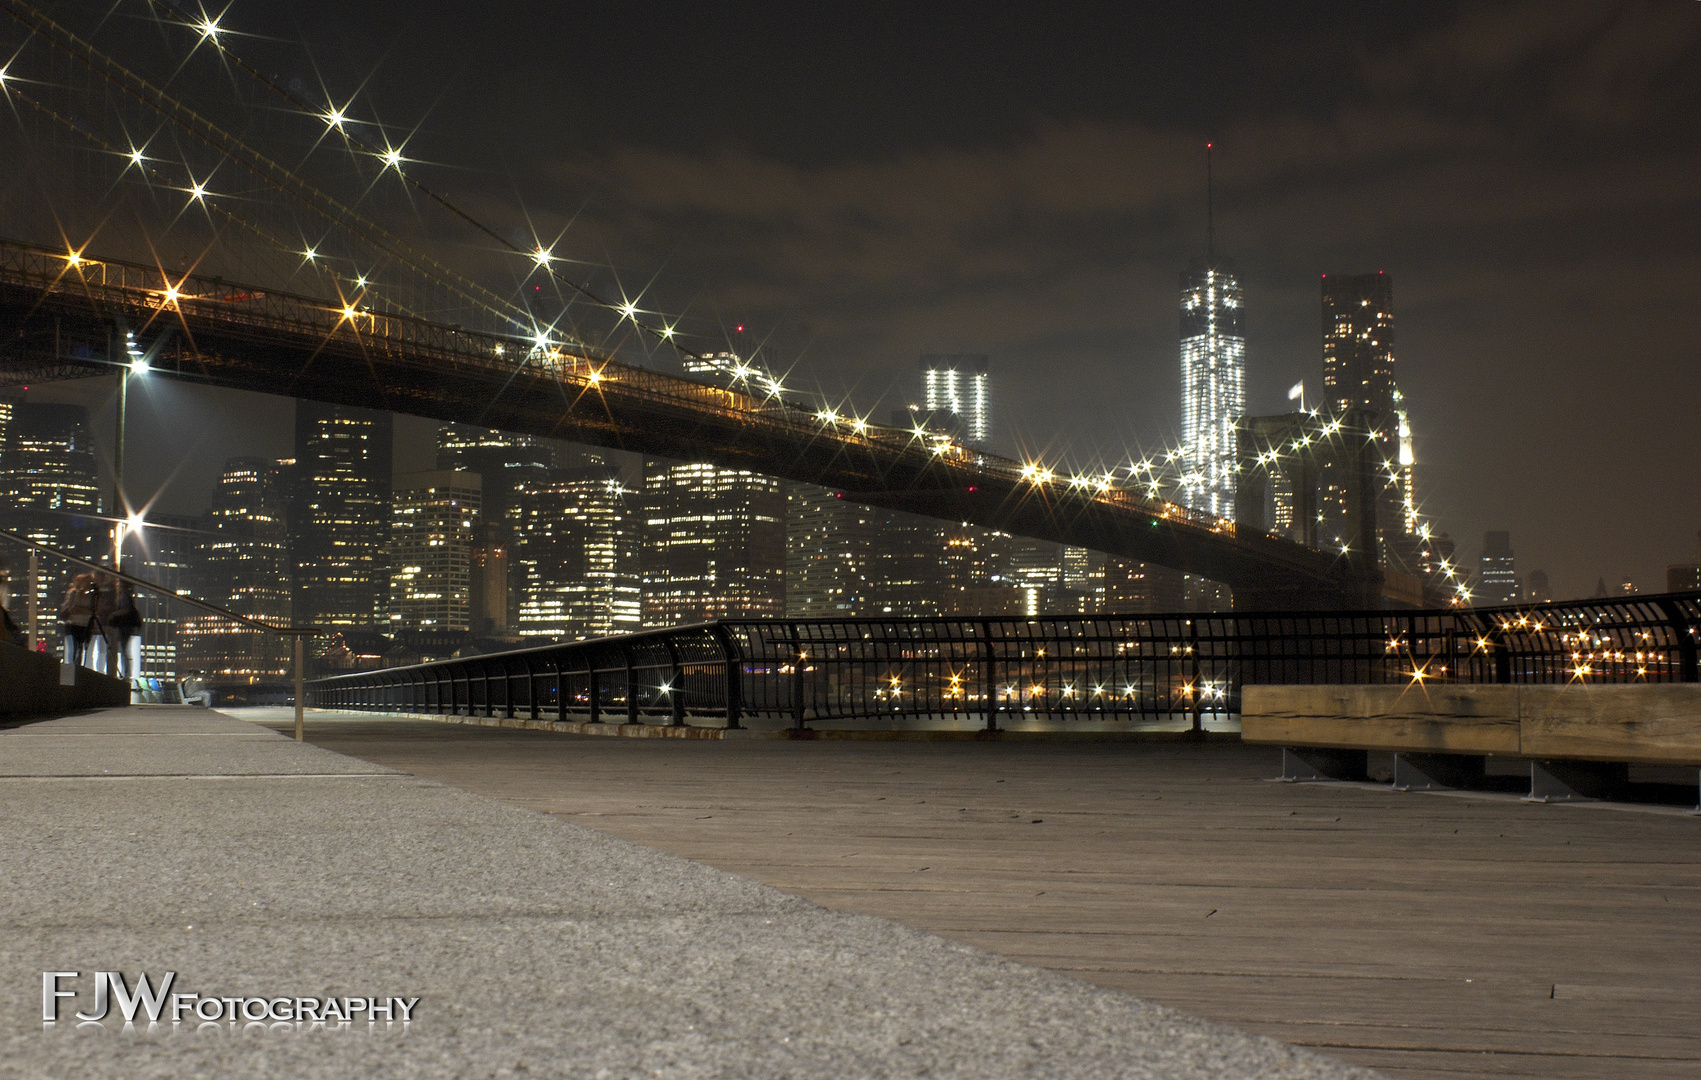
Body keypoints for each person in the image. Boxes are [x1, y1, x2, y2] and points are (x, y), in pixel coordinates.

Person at [103, 577, 143, 678]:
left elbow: (126, 609)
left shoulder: (123, 595)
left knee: (124, 649)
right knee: (125, 649)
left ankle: (126, 673)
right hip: (126, 625)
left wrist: (114, 614)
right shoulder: (124, 595)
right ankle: (126, 673)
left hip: (125, 625)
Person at [57, 573, 98, 666]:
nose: (88, 584)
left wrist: (81, 610)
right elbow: (72, 609)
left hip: (85, 625)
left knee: (82, 650)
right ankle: (70, 668)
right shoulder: (74, 593)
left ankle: (80, 668)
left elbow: (93, 611)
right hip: (73, 624)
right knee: (72, 650)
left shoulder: (91, 595)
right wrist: (85, 610)